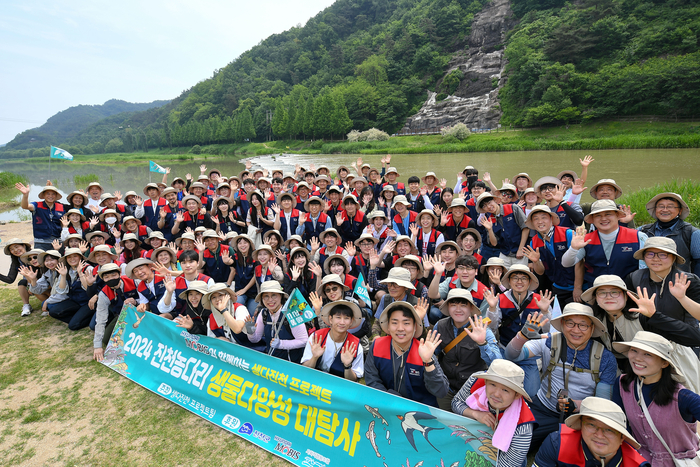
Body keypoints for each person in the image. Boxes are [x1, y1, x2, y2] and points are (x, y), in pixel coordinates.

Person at [505, 303, 617, 450]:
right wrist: (522, 337)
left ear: (592, 328)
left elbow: (602, 402)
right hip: (542, 408)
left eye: (583, 325)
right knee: (511, 440)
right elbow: (512, 355)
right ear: (563, 324)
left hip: (580, 417)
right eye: (570, 323)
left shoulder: (605, 358)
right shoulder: (549, 341)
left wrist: (576, 405)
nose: (576, 330)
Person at [582, 274, 700, 387]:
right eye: (602, 293)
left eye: (614, 292)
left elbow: (695, 338)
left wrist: (655, 316)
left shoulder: (643, 316)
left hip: (672, 369)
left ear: (626, 296)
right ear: (595, 298)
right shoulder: (597, 322)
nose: (608, 296)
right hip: (637, 373)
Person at [613, 331, 700, 467]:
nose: (638, 358)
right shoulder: (622, 384)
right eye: (634, 350)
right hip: (639, 462)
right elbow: (619, 425)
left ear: (664, 363)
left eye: (648, 354)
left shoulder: (683, 397)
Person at [452, 359, 536, 467]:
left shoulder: (523, 425)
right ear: (485, 381)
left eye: (505, 390)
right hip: (468, 442)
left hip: (502, 456)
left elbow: (508, 465)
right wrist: (475, 414)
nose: (496, 394)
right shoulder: (475, 381)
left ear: (517, 395)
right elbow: (456, 402)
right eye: (492, 384)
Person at [364, 301, 449, 407]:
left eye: (406, 323)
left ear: (414, 327)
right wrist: (391, 401)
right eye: (394, 322)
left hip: (419, 413)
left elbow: (441, 391)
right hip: (386, 406)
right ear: (388, 327)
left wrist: (428, 362)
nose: (400, 328)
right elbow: (372, 380)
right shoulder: (377, 345)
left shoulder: (423, 350)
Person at [562, 199, 648, 300]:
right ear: (593, 219)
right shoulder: (586, 239)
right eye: (598, 215)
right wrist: (574, 248)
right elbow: (566, 263)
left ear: (617, 216)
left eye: (608, 214)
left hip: (629, 293)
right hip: (597, 294)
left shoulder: (638, 237)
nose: (603, 218)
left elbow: (645, 268)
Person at [534, 397, 649, 467]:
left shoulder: (636, 464)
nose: (599, 435)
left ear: (622, 437)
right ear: (581, 426)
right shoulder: (557, 443)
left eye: (609, 430)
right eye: (591, 425)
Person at [435, 288, 500, 411]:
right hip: (446, 388)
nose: (458, 309)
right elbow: (433, 354)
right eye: (453, 305)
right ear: (448, 307)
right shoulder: (440, 325)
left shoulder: (482, 328)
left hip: (473, 391)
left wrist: (482, 343)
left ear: (471, 308)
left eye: (463, 305)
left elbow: (497, 363)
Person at [626, 236, 700, 329]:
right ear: (644, 257)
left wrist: (682, 298)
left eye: (663, 254)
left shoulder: (688, 281)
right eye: (650, 254)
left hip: (681, 338)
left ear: (673, 258)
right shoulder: (634, 278)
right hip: (644, 337)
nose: (656, 259)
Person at [524, 205, 576, 305]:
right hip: (558, 287)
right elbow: (540, 271)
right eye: (536, 219)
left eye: (544, 217)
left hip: (579, 286)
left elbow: (580, 263)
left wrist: (578, 287)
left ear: (551, 219)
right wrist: (535, 261)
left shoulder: (567, 234)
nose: (540, 222)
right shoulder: (533, 242)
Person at [245, 281, 308, 362]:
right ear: (262, 299)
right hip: (271, 362)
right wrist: (250, 332)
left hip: (291, 364)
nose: (270, 300)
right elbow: (256, 339)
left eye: (274, 295)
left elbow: (303, 341)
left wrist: (281, 344)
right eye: (266, 296)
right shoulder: (263, 313)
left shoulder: (291, 313)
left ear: (281, 296)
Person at [639, 192, 700, 275]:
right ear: (655, 209)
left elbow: (698, 264)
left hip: (679, 282)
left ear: (680, 210)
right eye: (661, 206)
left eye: (670, 207)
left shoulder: (692, 233)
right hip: (648, 282)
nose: (665, 210)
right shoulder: (642, 231)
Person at [302, 301, 364, 381]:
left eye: (346, 318)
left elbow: (354, 380)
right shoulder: (316, 337)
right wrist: (314, 358)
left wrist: (347, 366)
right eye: (338, 317)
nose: (342, 322)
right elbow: (305, 369)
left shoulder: (356, 346)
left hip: (339, 387)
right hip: (314, 382)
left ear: (351, 322)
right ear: (330, 319)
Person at [92, 263, 140, 361]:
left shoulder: (134, 281)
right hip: (121, 316)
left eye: (114, 275)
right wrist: (97, 346)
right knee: (106, 339)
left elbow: (148, 300)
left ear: (119, 273)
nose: (111, 279)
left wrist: (136, 302)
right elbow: (100, 319)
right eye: (106, 277)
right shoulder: (103, 294)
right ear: (103, 279)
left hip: (140, 312)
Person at [476, 192, 530, 268]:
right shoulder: (489, 220)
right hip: (505, 253)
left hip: (521, 252)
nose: (488, 206)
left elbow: (525, 228)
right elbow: (494, 243)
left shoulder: (513, 208)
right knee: (504, 278)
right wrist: (490, 229)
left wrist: (521, 249)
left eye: (489, 202)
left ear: (495, 200)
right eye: (484, 206)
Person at [16, 183, 64, 251]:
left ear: (56, 196)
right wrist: (25, 195)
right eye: (48, 193)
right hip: (41, 242)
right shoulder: (37, 205)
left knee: (58, 260)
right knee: (40, 261)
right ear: (44, 195)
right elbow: (25, 206)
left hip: (57, 241)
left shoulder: (61, 207)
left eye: (53, 194)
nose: (51, 196)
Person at [1, 238, 34, 316]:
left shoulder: (34, 256)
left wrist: (32, 285)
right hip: (30, 283)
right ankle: (26, 305)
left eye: (16, 246)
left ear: (23, 246)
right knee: (21, 283)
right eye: (11, 249)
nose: (15, 250)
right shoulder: (17, 261)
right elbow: (10, 279)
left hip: (40, 281)